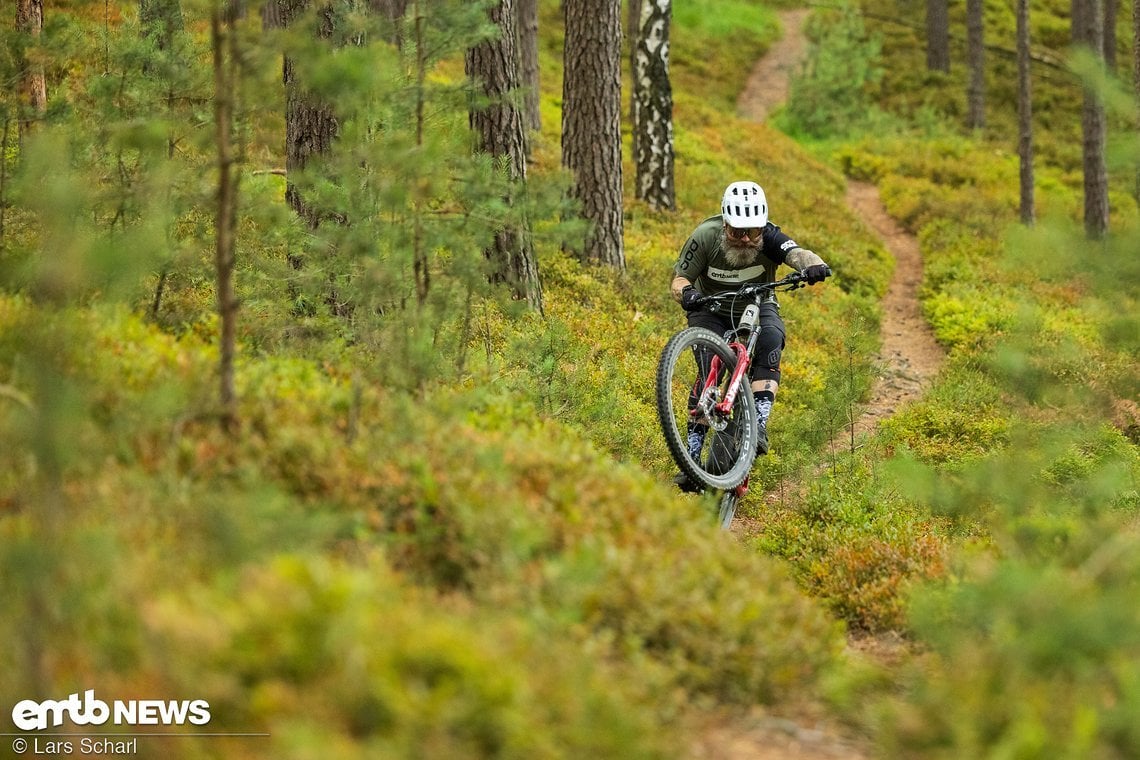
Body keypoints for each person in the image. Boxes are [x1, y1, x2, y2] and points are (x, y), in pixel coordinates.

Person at [670, 180, 831, 492]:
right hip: (709, 308)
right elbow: (679, 279)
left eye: (753, 231)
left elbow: (797, 254)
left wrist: (815, 265)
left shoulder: (769, 237)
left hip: (759, 304)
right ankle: (691, 457)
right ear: (725, 224)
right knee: (708, 368)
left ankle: (757, 423)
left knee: (771, 338)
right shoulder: (704, 237)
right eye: (736, 231)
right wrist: (686, 293)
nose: (745, 239)